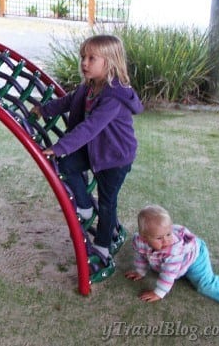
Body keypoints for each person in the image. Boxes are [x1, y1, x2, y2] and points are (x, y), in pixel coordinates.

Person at [31, 34, 143, 280]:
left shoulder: (115, 97)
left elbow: (90, 127)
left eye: (92, 58)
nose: (85, 62)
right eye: (83, 56)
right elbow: (69, 101)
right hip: (95, 150)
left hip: (115, 158)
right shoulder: (90, 86)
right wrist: (43, 109)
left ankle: (103, 244)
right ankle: (82, 204)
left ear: (110, 62)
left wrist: (60, 146)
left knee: (106, 202)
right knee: (67, 164)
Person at [125, 205, 219, 308]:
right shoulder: (138, 241)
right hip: (177, 261)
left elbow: (168, 274)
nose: (166, 240)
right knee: (161, 266)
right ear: (144, 237)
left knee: (204, 284)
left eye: (168, 234)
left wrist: (159, 292)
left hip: (195, 257)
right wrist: (140, 271)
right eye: (159, 238)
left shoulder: (173, 250)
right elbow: (141, 256)